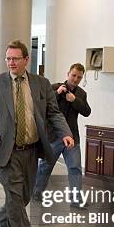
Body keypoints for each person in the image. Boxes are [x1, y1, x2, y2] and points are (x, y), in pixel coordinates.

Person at [0, 40, 74, 227]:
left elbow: (54, 113)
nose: (11, 62)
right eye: (8, 58)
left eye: (15, 59)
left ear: (26, 60)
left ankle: (2, 217)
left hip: (31, 151)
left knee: (23, 198)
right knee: (14, 196)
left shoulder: (41, 84)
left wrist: (65, 133)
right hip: (6, 152)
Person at [32, 63, 91, 206]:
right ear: (68, 74)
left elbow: (87, 111)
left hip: (72, 137)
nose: (76, 79)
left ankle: (76, 200)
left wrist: (75, 100)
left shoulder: (81, 93)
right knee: (46, 166)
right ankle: (36, 192)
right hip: (54, 136)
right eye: (74, 75)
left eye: (79, 77)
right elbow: (42, 105)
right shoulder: (53, 87)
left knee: (75, 168)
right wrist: (57, 94)